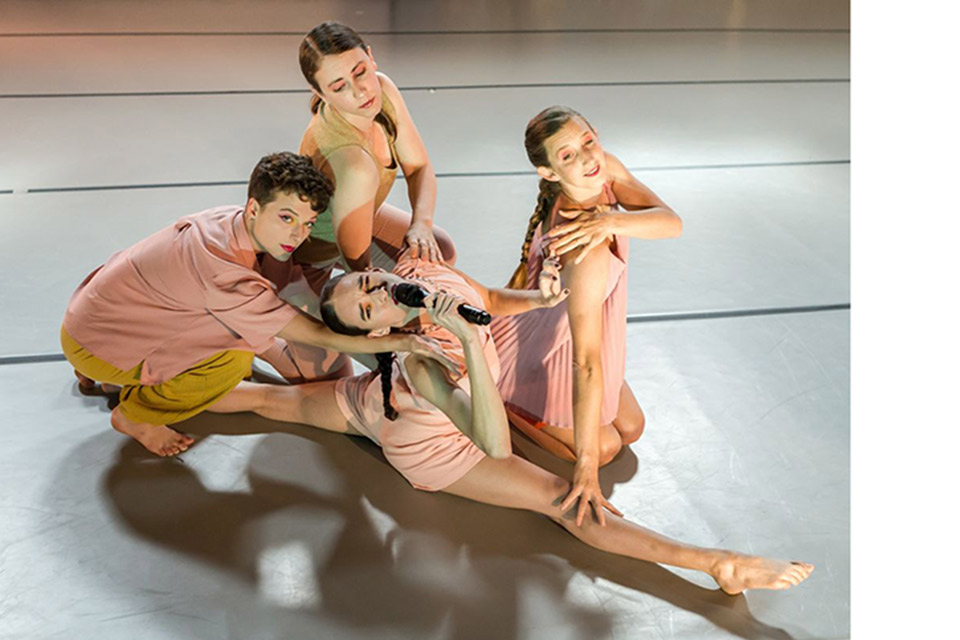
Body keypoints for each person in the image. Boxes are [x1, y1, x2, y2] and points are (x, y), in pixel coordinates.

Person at [209, 251, 814, 595]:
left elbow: (492, 301)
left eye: (368, 285)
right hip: (433, 440)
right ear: (374, 334)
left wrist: (542, 298)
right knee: (563, 499)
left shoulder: (431, 277)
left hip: (419, 402)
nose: (377, 296)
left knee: (279, 400)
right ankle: (718, 564)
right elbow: (493, 446)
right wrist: (469, 340)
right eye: (366, 312)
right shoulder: (424, 368)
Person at [61, 152, 451, 458]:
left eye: (306, 222)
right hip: (98, 340)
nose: (297, 234)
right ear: (254, 208)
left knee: (236, 334)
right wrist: (400, 343)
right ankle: (135, 417)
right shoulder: (227, 274)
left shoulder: (227, 223)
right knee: (233, 360)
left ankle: (96, 370)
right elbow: (316, 333)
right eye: (286, 218)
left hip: (92, 314)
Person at [492, 106, 683, 525]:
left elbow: (672, 222)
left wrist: (611, 218)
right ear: (548, 173)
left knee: (632, 426)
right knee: (609, 446)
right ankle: (499, 393)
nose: (586, 159)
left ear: (596, 134)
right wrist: (587, 468)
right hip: (552, 348)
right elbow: (586, 362)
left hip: (572, 324)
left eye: (588, 143)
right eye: (567, 156)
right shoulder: (585, 252)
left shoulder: (605, 172)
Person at [291, 21, 456, 286]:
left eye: (360, 72)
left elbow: (418, 167)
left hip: (360, 221)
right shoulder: (351, 160)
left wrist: (421, 224)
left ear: (371, 57)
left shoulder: (383, 89)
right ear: (319, 93)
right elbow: (358, 269)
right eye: (338, 87)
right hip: (308, 257)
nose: (360, 91)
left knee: (439, 251)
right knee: (409, 299)